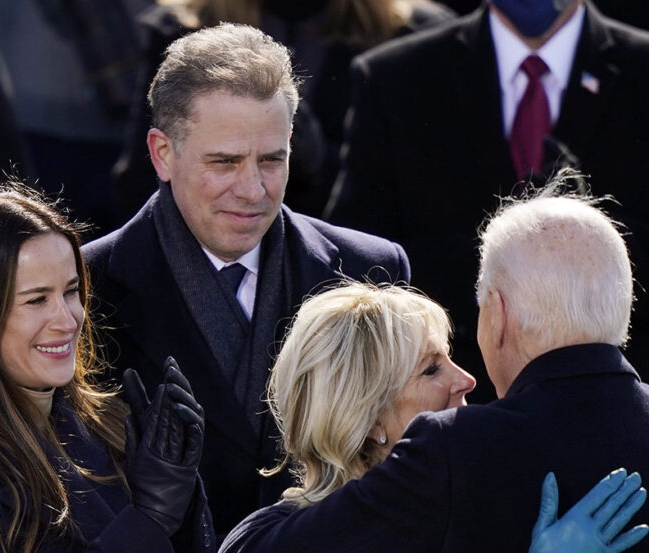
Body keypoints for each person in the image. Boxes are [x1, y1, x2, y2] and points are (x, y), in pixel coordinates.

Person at [82, 22, 411, 538]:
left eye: (271, 160)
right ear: (162, 153)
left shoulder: (369, 270)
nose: (252, 189)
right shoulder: (85, 289)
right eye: (225, 162)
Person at [213, 177, 649, 552]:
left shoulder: (456, 453)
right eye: (430, 368)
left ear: (495, 315)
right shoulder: (444, 464)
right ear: (365, 413)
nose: (467, 378)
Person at [325, 0, 649, 402]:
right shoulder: (397, 78)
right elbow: (355, 262)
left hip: (617, 418)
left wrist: (583, 237)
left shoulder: (641, 72)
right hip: (451, 421)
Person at [0, 184, 214, 553]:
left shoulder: (109, 424)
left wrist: (184, 491)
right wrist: (149, 519)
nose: (68, 320)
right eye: (36, 300)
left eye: (70, 292)